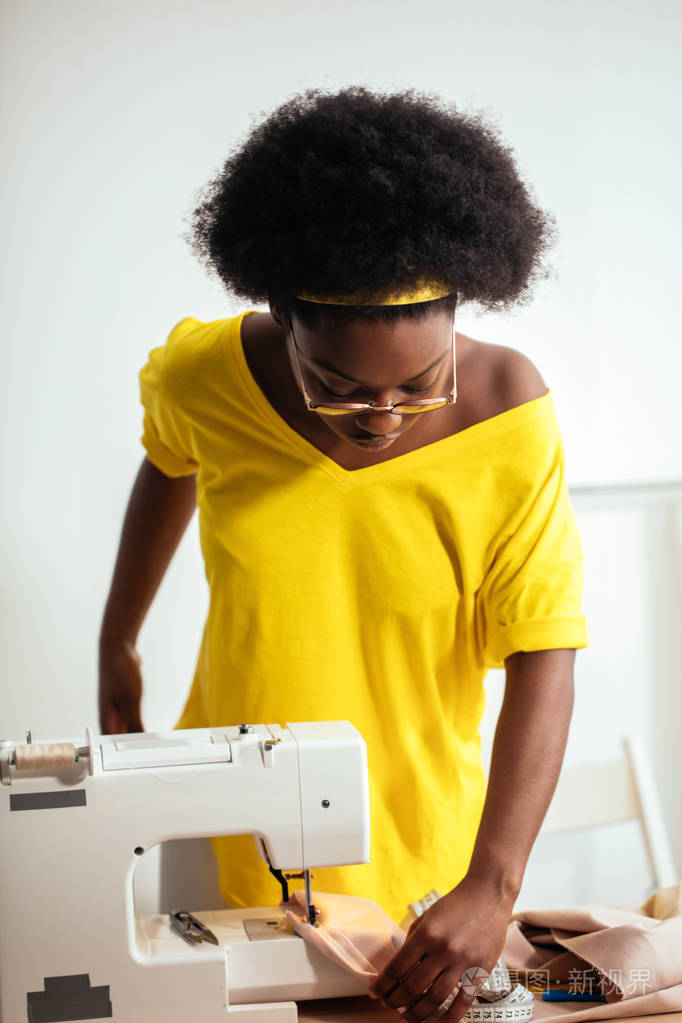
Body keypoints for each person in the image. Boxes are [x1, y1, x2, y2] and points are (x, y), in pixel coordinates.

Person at [98, 86, 588, 1022]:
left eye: (420, 383)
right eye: (338, 385)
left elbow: (546, 650)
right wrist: (116, 638)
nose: (382, 415)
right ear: (282, 314)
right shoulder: (207, 378)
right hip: (224, 814)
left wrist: (492, 884)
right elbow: (168, 461)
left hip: (424, 838)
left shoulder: (507, 415)